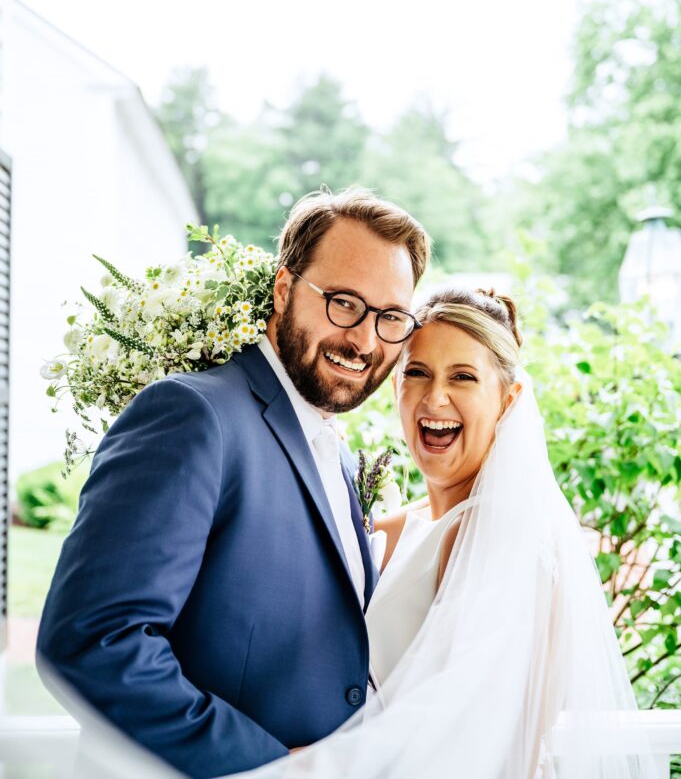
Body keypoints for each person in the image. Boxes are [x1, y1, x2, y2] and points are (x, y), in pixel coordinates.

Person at [36, 188, 430, 778]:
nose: (365, 340)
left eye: (390, 317)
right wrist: (270, 767)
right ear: (283, 288)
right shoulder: (193, 416)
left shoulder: (342, 461)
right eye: (344, 302)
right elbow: (94, 642)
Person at [241, 287, 657, 779]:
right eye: (416, 372)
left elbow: (452, 739)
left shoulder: (506, 539)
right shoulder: (388, 529)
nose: (435, 398)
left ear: (508, 400)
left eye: (463, 377)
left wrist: (260, 766)